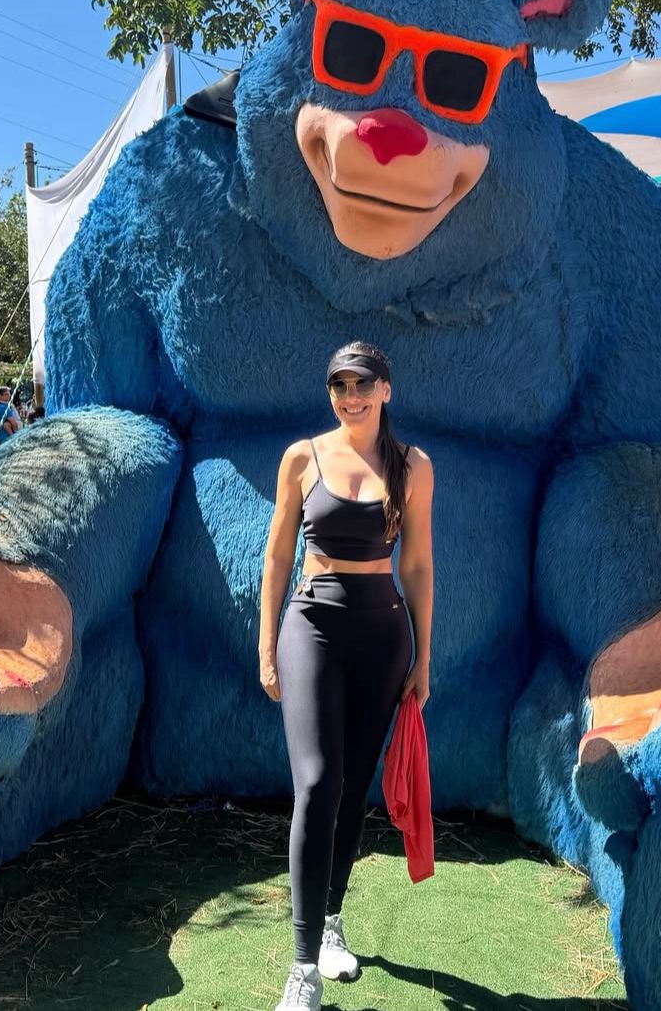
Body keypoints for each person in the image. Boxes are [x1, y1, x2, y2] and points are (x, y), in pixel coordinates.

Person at [259, 341, 434, 1011]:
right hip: (311, 627)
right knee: (315, 782)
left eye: (363, 382)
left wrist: (423, 654)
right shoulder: (302, 456)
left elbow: (417, 564)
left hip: (383, 634)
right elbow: (277, 553)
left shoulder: (414, 466)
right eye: (339, 383)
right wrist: (266, 641)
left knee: (353, 784)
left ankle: (332, 923)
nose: (350, 394)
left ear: (386, 387)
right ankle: (302, 968)